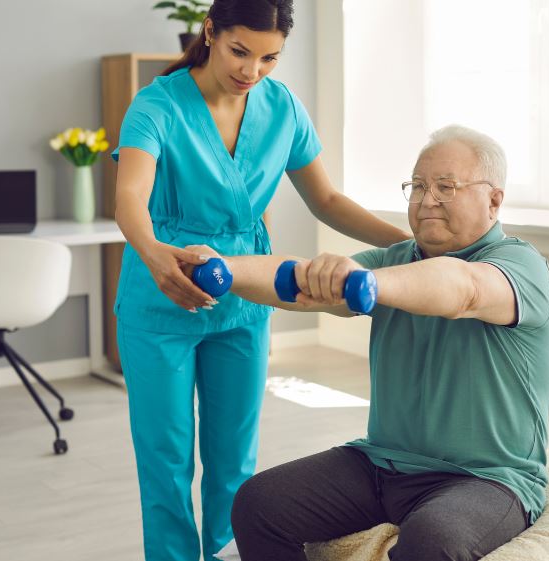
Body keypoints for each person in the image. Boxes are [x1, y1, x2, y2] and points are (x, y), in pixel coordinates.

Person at [111, 1, 411, 559]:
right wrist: (154, 256)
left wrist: (408, 249)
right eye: (239, 51)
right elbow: (130, 195)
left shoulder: (282, 108)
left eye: (269, 57)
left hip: (247, 301)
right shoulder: (158, 104)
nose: (252, 71)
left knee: (234, 460)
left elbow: (326, 200)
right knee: (166, 461)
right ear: (211, 32)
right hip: (162, 300)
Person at [190, 124, 549, 561]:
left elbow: (462, 289)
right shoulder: (396, 260)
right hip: (381, 463)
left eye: (446, 186)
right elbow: (297, 283)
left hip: (487, 478)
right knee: (258, 503)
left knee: (433, 538)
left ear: (494, 200)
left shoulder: (520, 265)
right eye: (417, 186)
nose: (427, 200)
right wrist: (225, 268)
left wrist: (364, 282)